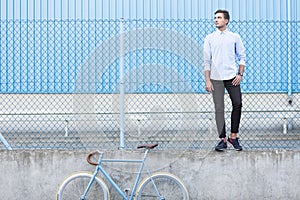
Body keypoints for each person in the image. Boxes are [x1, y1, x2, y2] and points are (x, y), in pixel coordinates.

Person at [203, 9, 246, 151]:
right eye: (215, 17)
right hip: (216, 79)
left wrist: (239, 74)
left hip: (232, 77)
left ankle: (233, 137)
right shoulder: (209, 38)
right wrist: (208, 80)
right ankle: (222, 139)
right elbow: (206, 61)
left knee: (237, 103)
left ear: (226, 21)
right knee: (219, 108)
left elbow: (242, 57)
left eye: (219, 18)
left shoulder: (234, 37)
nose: (216, 20)